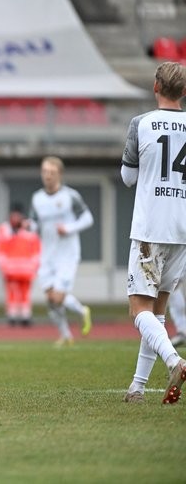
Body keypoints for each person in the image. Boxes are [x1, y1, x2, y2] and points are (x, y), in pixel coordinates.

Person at [120, 61, 186, 404]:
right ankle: (138, 388)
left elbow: (129, 178)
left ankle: (176, 360)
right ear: (184, 91)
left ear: (155, 86)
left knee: (138, 311)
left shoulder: (141, 124)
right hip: (182, 229)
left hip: (150, 228)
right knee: (157, 311)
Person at [27, 156, 94, 347]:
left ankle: (82, 311)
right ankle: (66, 336)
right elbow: (35, 223)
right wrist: (28, 225)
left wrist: (69, 228)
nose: (47, 176)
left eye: (52, 172)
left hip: (67, 255)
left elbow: (88, 218)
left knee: (57, 297)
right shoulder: (37, 198)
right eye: (45, 172)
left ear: (60, 174)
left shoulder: (70, 196)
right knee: (50, 299)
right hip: (47, 254)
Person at [0, 203, 41, 327]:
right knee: (12, 292)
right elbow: (0, 249)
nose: (15, 217)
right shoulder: (5, 229)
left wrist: (35, 266)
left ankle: (25, 315)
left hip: (26, 269)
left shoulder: (30, 229)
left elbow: (36, 249)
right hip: (11, 269)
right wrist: (3, 266)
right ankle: (12, 315)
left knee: (25, 292)